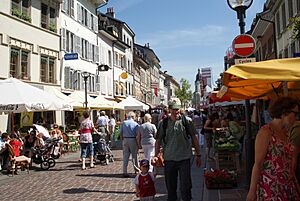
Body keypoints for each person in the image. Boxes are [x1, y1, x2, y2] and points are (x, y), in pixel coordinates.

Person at [246, 97, 300, 201]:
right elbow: (258, 164)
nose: (296, 118)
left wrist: (295, 183)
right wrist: (252, 191)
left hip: (288, 187)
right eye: (295, 114)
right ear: (285, 112)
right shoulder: (266, 132)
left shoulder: (286, 133)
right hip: (271, 188)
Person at [155, 97, 201, 201]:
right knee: (171, 188)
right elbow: (158, 140)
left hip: (184, 158)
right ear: (169, 109)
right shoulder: (163, 123)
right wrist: (156, 156)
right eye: (173, 109)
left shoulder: (187, 121)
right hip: (169, 158)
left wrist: (198, 155)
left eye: (177, 109)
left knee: (186, 187)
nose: (176, 111)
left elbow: (194, 138)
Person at [119, 111, 140, 177]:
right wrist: (138, 143)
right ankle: (136, 170)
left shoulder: (123, 123)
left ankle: (124, 171)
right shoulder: (135, 124)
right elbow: (138, 134)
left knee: (125, 156)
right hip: (133, 139)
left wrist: (123, 140)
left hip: (125, 139)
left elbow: (120, 133)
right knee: (135, 156)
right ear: (133, 117)